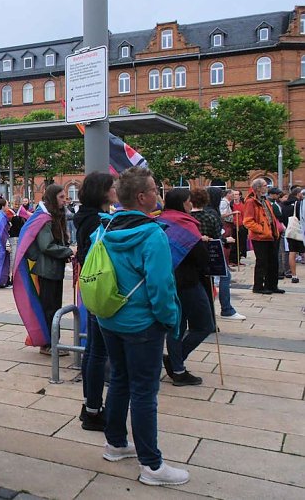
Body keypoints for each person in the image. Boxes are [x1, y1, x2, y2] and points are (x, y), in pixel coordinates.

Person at [93, 167, 189, 486]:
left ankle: (116, 443)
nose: (158, 195)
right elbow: (162, 288)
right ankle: (152, 465)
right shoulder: (152, 234)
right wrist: (170, 321)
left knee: (120, 378)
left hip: (109, 318)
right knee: (145, 391)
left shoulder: (103, 229)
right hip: (142, 325)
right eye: (154, 189)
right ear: (141, 197)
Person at [74, 172, 116, 431]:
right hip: (103, 288)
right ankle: (92, 410)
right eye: (112, 187)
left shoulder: (84, 218)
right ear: (102, 192)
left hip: (90, 286)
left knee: (93, 351)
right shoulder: (101, 222)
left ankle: (90, 406)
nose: (116, 190)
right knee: (98, 352)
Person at [160, 189, 213, 387]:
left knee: (176, 327)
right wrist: (204, 244)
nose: (191, 205)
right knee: (204, 325)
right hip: (188, 282)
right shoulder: (185, 224)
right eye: (189, 201)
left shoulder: (161, 221)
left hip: (167, 282)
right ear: (182, 203)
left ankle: (178, 368)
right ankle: (177, 363)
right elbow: (202, 258)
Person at [26, 185, 73, 356]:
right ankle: (48, 344)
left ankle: (52, 342)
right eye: (61, 197)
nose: (65, 200)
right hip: (48, 270)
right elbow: (46, 246)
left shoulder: (51, 216)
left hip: (52, 268)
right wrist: (68, 251)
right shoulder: (45, 218)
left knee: (53, 307)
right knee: (50, 308)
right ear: (53, 198)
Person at [198, 188, 246, 321]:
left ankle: (209, 310)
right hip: (213, 249)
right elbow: (216, 233)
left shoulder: (203, 211)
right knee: (224, 276)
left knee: (209, 280)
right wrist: (225, 240)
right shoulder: (212, 213)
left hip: (202, 249)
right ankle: (226, 309)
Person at [243, 179, 283, 295]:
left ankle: (272, 285)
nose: (267, 188)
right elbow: (248, 221)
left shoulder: (265, 200)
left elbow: (270, 217)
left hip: (270, 235)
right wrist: (261, 230)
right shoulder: (251, 202)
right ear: (258, 188)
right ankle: (258, 286)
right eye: (265, 186)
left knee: (273, 261)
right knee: (262, 262)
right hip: (260, 237)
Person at [268, 187, 290, 280]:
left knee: (279, 251)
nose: (277, 196)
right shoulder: (272, 204)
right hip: (276, 229)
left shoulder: (273, 203)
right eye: (276, 194)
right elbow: (279, 216)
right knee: (279, 251)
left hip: (276, 229)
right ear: (272, 194)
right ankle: (279, 271)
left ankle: (279, 271)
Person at [283, 187, 304, 283]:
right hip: (300, 230)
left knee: (292, 252)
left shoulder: (285, 204)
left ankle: (294, 275)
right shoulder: (299, 204)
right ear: (298, 194)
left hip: (291, 231)